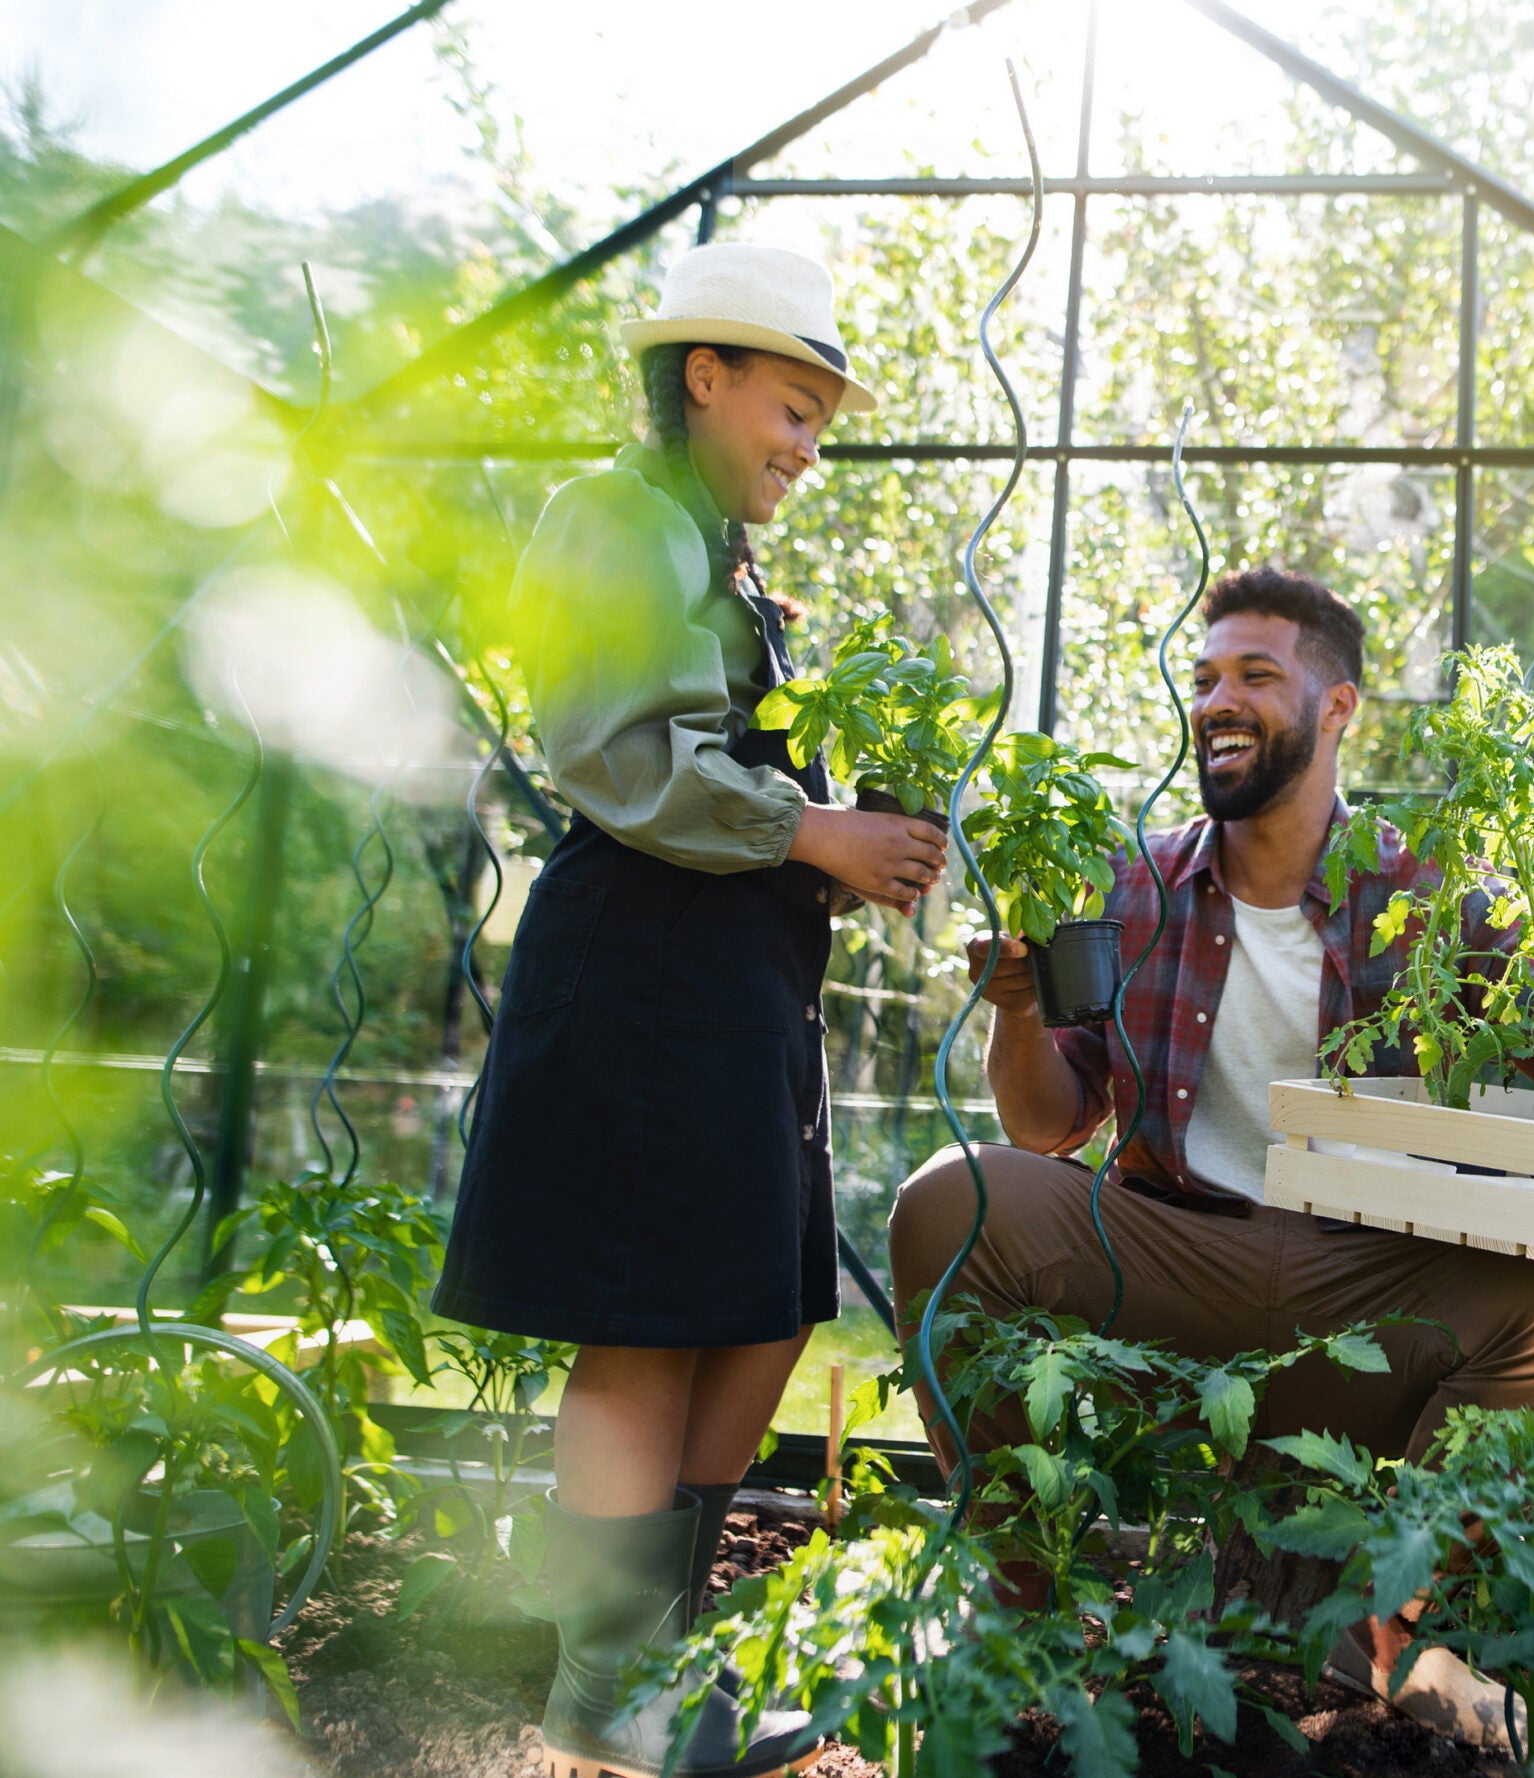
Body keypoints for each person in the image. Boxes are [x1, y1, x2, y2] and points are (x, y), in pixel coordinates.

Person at [888, 567, 1534, 1750]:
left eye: (1254, 674)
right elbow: (1046, 1125)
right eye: (1203, 678)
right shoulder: (1135, 883)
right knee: (953, 1198)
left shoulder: (1427, 891)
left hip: (1364, 1285)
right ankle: (1021, 1611)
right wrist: (1018, 1009)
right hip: (1172, 1265)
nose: (1215, 700)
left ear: (1337, 708)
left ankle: (1399, 1632)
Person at [433, 242, 949, 1778]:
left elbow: (722, 760)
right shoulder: (618, 515)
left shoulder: (715, 555)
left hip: (731, 975)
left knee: (763, 1308)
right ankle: (607, 1687)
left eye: (820, 424)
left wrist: (852, 829)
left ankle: (655, 1658)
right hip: (646, 965)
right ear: (703, 375)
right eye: (793, 410)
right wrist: (817, 833)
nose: (806, 449)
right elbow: (617, 750)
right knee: (649, 1323)